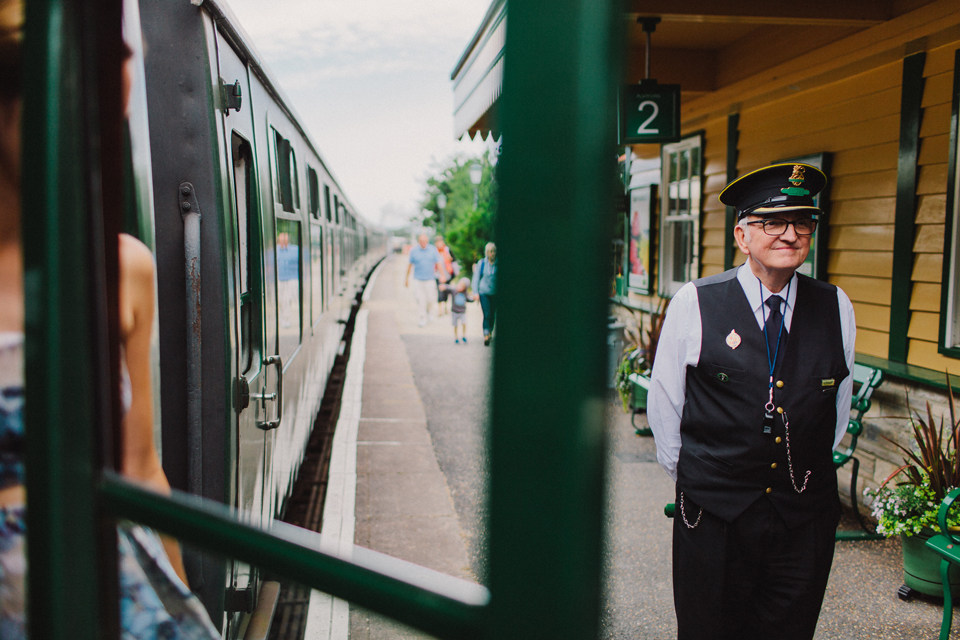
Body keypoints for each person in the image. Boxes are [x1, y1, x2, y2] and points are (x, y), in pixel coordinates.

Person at [0, 2, 218, 635]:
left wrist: (183, 601)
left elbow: (141, 471)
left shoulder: (124, 268)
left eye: (120, 65)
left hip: (111, 602)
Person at [647, 163, 856, 640]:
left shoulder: (836, 305)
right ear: (742, 236)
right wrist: (706, 482)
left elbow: (834, 411)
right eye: (772, 222)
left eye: (802, 222)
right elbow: (665, 409)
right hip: (715, 517)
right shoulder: (696, 302)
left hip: (803, 519)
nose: (790, 234)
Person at [405, 233, 441, 327]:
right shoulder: (414, 251)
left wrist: (442, 275)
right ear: (419, 242)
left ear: (427, 241)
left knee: (430, 299)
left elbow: (438, 263)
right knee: (420, 299)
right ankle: (422, 318)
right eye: (421, 241)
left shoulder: (433, 250)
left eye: (425, 241)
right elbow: (409, 265)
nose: (423, 243)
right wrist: (407, 279)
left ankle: (429, 311)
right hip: (418, 279)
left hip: (430, 279)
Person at [471, 242, 497, 346]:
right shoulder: (482, 263)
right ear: (487, 252)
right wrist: (475, 292)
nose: (493, 254)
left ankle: (490, 331)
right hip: (484, 292)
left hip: (494, 293)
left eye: (494, 251)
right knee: (486, 313)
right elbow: (476, 278)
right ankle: (486, 334)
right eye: (491, 251)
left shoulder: (498, 263)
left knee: (492, 314)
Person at [440, 277, 475, 344]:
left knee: (464, 323)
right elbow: (448, 287)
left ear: (465, 288)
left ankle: (464, 335)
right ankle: (456, 337)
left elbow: (469, 299)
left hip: (462, 312)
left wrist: (473, 298)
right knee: (455, 325)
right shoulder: (454, 290)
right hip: (454, 312)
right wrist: (444, 286)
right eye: (459, 284)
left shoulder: (465, 294)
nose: (459, 287)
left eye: (462, 286)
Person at [434, 237, 455, 316]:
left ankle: (446, 307)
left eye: (441, 242)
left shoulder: (447, 250)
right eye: (438, 242)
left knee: (447, 292)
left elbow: (454, 259)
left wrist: (450, 258)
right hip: (438, 275)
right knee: (440, 292)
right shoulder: (434, 252)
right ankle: (440, 310)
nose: (439, 244)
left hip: (447, 274)